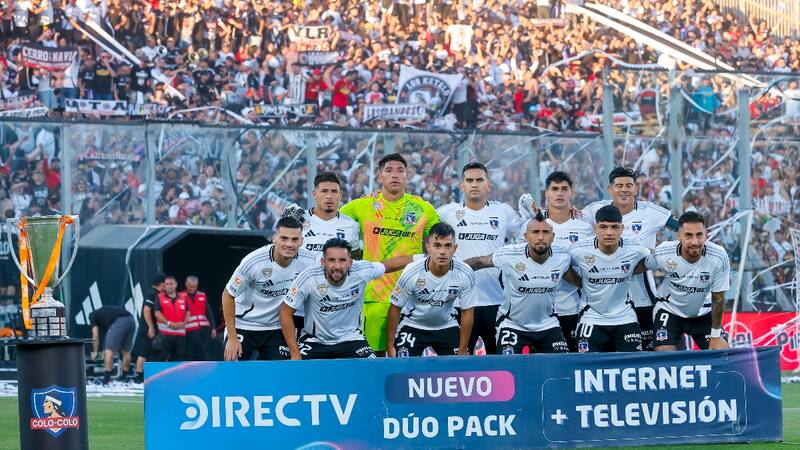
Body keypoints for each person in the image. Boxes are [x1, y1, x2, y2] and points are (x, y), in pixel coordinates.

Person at [340, 153, 440, 355]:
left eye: (400, 171)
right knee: (372, 358)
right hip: (375, 296)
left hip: (412, 297)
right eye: (389, 170)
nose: (394, 175)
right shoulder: (361, 205)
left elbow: (439, 244)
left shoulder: (423, 208)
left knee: (406, 359)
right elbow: (332, 222)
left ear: (407, 176)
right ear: (379, 177)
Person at [581, 167, 679, 351]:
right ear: (610, 189)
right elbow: (571, 226)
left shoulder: (650, 212)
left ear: (636, 188)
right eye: (618, 186)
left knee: (647, 355)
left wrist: (660, 253)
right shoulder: (594, 210)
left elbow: (683, 227)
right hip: (605, 302)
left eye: (628, 185)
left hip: (642, 298)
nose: (624, 190)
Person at [436, 162, 522, 355]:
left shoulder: (503, 212)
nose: (474, 184)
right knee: (459, 362)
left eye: (479, 180)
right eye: (469, 180)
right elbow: (422, 227)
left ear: (488, 185)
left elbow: (530, 231)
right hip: (459, 302)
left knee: (499, 361)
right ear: (462, 186)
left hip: (497, 300)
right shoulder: (446, 213)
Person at [280, 238, 414, 360]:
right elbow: (285, 312)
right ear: (323, 262)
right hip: (315, 341)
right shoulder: (308, 278)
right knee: (296, 373)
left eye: (342, 260)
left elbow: (387, 266)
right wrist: (295, 352)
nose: (337, 266)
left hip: (352, 339)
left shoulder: (362, 270)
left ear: (350, 262)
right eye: (331, 260)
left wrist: (422, 257)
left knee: (374, 370)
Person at [465, 213, 577, 354]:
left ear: (553, 237)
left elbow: (579, 280)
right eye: (535, 232)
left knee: (560, 367)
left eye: (545, 232)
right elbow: (479, 262)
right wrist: (451, 271)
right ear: (526, 237)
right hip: (512, 324)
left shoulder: (563, 257)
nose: (541, 237)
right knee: (509, 368)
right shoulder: (509, 255)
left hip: (548, 325)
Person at [518, 171, 594, 351]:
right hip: (538, 313)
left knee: (574, 364)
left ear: (571, 193)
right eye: (554, 189)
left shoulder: (585, 225)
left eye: (564, 189)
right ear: (547, 193)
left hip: (574, 308)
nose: (559, 193)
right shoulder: (532, 226)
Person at [222, 217, 316, 361]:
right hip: (244, 325)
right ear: (274, 238)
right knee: (235, 373)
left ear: (301, 241)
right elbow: (228, 295)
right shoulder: (253, 262)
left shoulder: (309, 261)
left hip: (276, 328)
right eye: (284, 238)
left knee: (278, 377)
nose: (289, 244)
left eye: (294, 239)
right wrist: (232, 338)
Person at [645, 212, 731, 351]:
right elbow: (642, 264)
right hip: (669, 310)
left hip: (703, 313)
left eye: (699, 235)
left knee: (722, 354)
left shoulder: (718, 256)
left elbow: (719, 298)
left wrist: (715, 336)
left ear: (706, 235)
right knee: (664, 355)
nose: (694, 241)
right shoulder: (664, 252)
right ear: (678, 236)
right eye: (688, 235)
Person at [569, 205, 651, 353]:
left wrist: (633, 270)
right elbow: (560, 263)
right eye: (603, 227)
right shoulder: (578, 250)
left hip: (625, 317)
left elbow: (653, 258)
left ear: (622, 228)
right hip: (591, 317)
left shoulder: (635, 248)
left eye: (614, 227)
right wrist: (579, 282)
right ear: (595, 228)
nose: (609, 232)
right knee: (587, 368)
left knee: (631, 367)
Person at [386, 223, 476, 357]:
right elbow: (395, 308)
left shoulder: (465, 273)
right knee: (402, 369)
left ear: (455, 248)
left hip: (447, 325)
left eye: (448, 246)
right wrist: (390, 346)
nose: (442, 252)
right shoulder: (411, 271)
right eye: (437, 245)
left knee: (458, 370)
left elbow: (467, 312)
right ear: (428, 247)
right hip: (413, 325)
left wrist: (462, 350)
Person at [132, 273, 164, 383]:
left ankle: (144, 376)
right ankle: (138, 376)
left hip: (151, 328)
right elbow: (146, 310)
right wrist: (150, 327)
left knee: (150, 352)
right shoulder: (152, 293)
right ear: (161, 283)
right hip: (147, 329)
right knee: (143, 352)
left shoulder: (155, 294)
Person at [89, 305, 135, 384]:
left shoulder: (93, 316)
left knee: (109, 349)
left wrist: (95, 352)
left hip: (120, 321)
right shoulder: (105, 314)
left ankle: (106, 378)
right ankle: (124, 376)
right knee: (126, 351)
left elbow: (95, 336)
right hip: (131, 320)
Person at [153, 275, 189, 362]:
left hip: (180, 335)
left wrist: (184, 323)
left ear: (176, 285)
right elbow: (157, 313)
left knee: (179, 359)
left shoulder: (183, 297)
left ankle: (177, 376)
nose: (169, 286)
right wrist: (169, 323)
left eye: (171, 284)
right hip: (165, 334)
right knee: (161, 358)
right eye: (167, 284)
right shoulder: (159, 297)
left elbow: (188, 312)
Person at [182, 275, 216, 361]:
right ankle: (206, 365)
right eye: (190, 286)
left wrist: (213, 327)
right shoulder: (181, 296)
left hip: (205, 329)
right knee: (200, 351)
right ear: (186, 284)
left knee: (202, 349)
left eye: (194, 287)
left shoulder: (202, 295)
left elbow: (209, 313)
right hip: (190, 329)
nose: (192, 288)